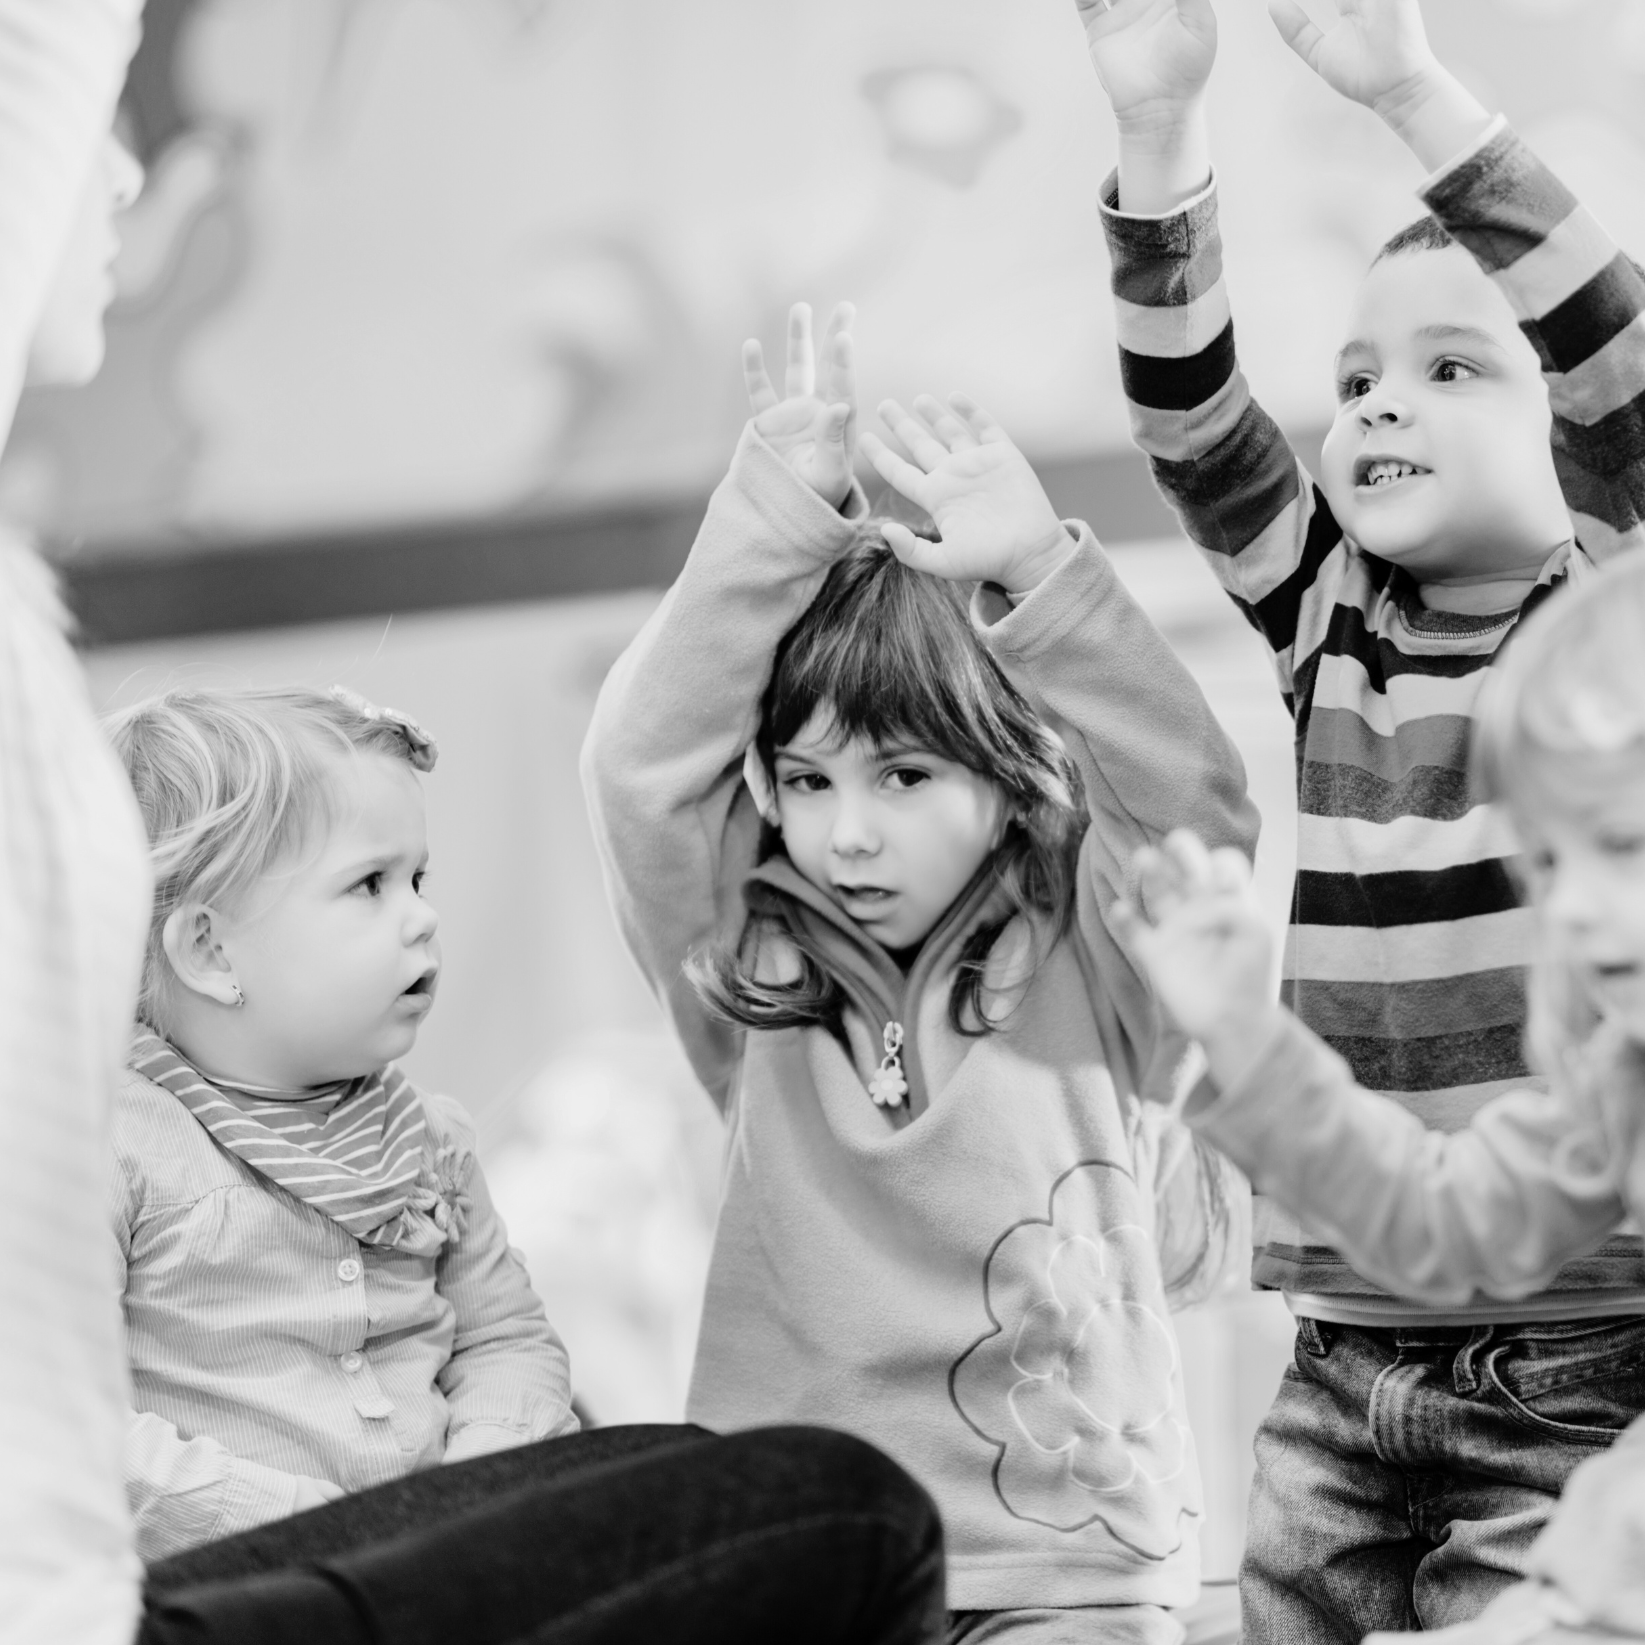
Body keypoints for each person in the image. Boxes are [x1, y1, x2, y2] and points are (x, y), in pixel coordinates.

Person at [0, 5, 947, 1643]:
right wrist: (774, 516)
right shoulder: (153, 1143)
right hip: (112, 1584)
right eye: (368, 883)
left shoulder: (415, 1141)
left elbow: (510, 1339)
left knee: (697, 1471)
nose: (136, 170)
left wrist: (487, 1444)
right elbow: (644, 769)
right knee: (844, 1514)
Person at [1072, 0, 1645, 1633]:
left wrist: (1405, 88)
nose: (1379, 406)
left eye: (1453, 368)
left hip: (1575, 1342)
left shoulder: (1607, 628)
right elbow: (1191, 421)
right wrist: (1162, 133)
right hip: (1343, 1330)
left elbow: (1617, 361)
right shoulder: (1333, 626)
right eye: (1359, 379)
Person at [582, 298, 1259, 1645]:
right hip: (798, 1561)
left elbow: (1194, 812)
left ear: (1007, 777)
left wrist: (1035, 575)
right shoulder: (751, 968)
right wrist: (779, 509)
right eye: (805, 778)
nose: (845, 831)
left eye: (902, 774)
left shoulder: (1095, 957)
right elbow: (639, 771)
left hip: (1064, 1577)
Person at [1115, 552, 1645, 1640]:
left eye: (1623, 848)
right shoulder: (1614, 1075)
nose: (1576, 912)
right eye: (1544, 865)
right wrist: (1245, 1036)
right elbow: (1443, 1219)